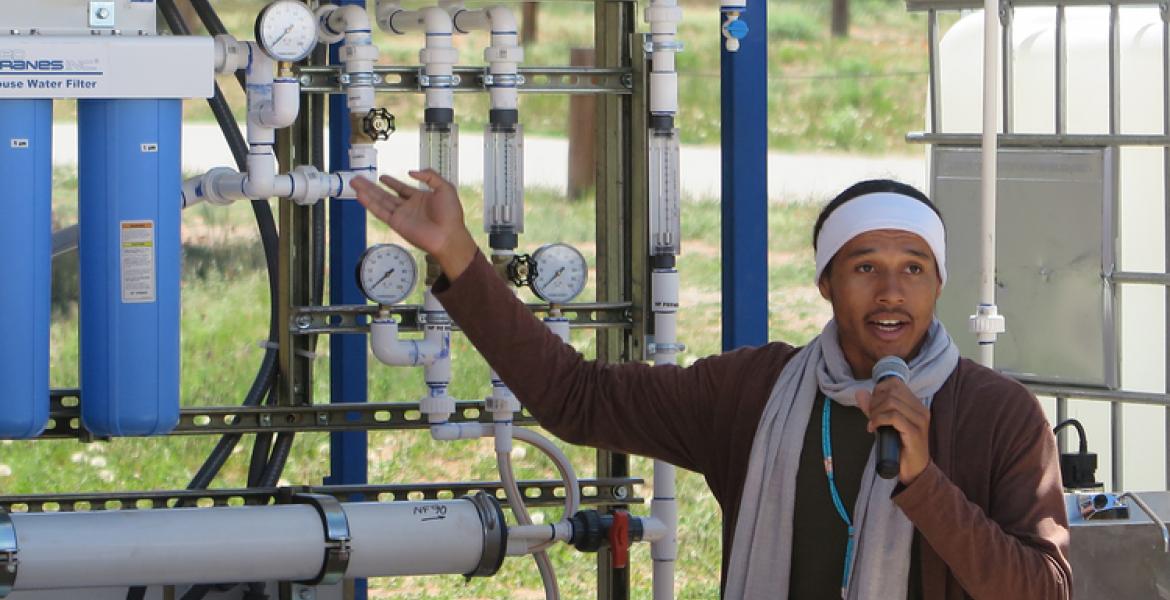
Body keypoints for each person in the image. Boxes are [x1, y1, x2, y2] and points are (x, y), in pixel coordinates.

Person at [351, 171, 1072, 600]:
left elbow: (1043, 591)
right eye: (864, 266)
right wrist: (457, 256)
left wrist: (925, 483)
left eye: (913, 267)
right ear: (825, 282)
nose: (890, 292)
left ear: (940, 283)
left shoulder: (997, 414)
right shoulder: (756, 392)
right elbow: (579, 398)